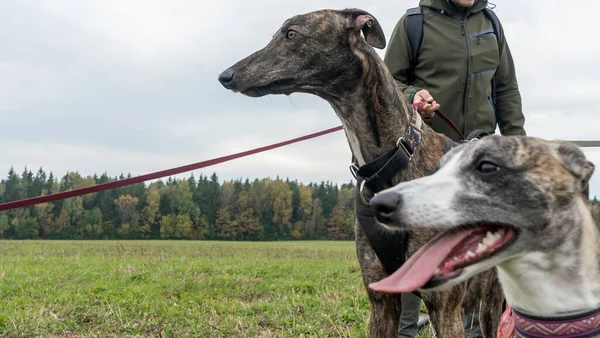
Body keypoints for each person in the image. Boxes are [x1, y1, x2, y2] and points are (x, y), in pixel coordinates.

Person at [383, 0, 526, 337]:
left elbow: (506, 88)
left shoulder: (490, 22)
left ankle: (474, 329)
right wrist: (413, 93)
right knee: (414, 242)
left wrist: (517, 150)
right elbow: (386, 83)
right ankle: (407, 330)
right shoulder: (414, 24)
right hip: (423, 151)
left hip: (477, 154)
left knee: (477, 242)